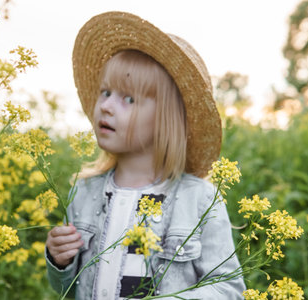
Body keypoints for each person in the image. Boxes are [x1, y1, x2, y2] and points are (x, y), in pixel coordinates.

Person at [45, 11, 245, 299]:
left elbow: (229, 289)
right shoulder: (85, 191)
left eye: (128, 99)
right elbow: (66, 287)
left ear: (165, 120)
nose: (106, 106)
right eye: (105, 92)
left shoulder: (200, 199)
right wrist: (59, 261)